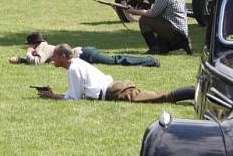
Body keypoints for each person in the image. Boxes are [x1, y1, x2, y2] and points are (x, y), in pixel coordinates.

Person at [37, 44, 194, 103]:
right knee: (157, 96)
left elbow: (74, 98)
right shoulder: (76, 64)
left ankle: (193, 91)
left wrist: (53, 96)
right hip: (114, 88)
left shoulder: (73, 68)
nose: (53, 58)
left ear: (64, 57)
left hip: (114, 91)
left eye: (55, 56)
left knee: (159, 97)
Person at [125, 0, 192, 55]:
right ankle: (183, 43)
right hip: (180, 31)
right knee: (163, 49)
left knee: (144, 20)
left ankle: (154, 49)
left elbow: (153, 13)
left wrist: (134, 11)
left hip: (175, 30)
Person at [8, 31, 160, 67]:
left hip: (85, 55)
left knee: (116, 60)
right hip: (84, 53)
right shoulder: (43, 47)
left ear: (33, 44)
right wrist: (21, 60)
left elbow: (37, 62)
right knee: (115, 58)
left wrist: (27, 54)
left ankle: (150, 61)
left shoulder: (43, 48)